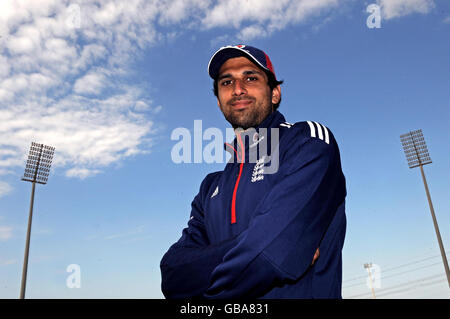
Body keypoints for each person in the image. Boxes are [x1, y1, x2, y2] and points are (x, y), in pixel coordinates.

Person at [160, 44, 347, 299]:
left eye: (250, 77)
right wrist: (260, 248)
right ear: (218, 102)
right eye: (227, 82)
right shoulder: (210, 187)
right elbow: (172, 276)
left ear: (274, 94)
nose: (238, 89)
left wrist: (199, 283)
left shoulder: (308, 141)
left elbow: (269, 258)